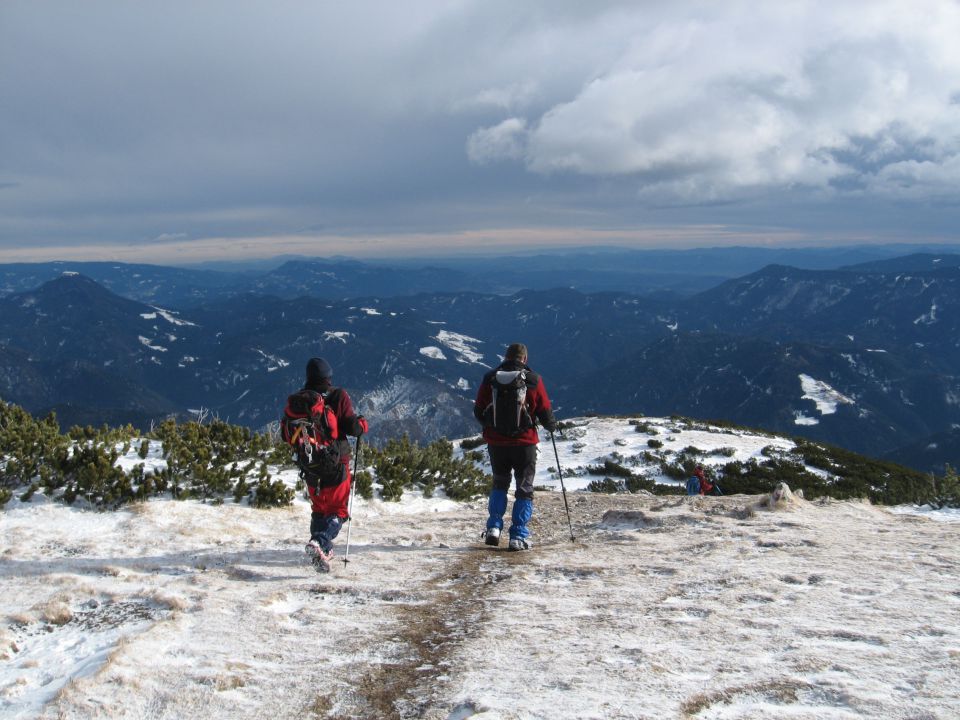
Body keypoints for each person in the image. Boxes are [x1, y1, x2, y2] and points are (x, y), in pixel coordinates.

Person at [473, 343, 557, 551]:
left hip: (497, 444)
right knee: (524, 488)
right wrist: (551, 426)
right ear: (525, 359)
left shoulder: (490, 378)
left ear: (506, 356)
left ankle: (493, 527)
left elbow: (478, 409)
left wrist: (490, 427)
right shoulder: (533, 380)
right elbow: (544, 410)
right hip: (525, 443)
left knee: (499, 483)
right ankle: (518, 535)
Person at [297, 357, 368, 572]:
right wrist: (363, 424)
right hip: (337, 464)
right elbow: (353, 428)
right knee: (338, 511)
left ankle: (322, 550)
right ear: (328, 376)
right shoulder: (338, 396)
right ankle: (320, 542)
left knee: (319, 509)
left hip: (310, 466)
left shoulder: (300, 401)